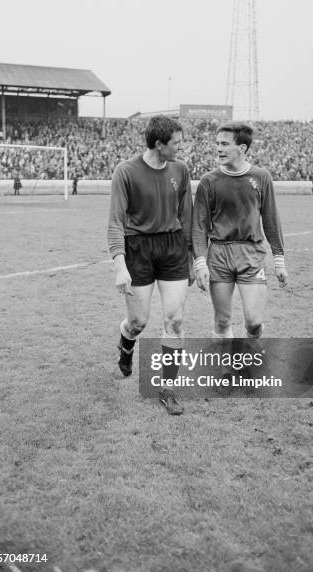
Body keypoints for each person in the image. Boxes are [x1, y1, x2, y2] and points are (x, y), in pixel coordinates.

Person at [108, 116, 193, 415]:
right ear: (159, 144)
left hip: (172, 248)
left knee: (175, 319)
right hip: (138, 250)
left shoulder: (181, 170)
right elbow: (116, 222)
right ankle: (126, 341)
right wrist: (120, 265)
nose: (181, 148)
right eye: (177, 143)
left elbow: (187, 217)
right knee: (138, 322)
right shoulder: (126, 172)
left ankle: (168, 389)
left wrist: (193, 257)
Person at [192, 121, 288, 346]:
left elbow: (271, 220)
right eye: (217, 143)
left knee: (254, 322)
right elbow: (199, 226)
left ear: (242, 149)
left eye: (224, 144)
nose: (218, 148)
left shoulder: (261, 177)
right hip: (219, 254)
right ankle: (228, 370)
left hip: (251, 254)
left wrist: (279, 260)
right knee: (222, 321)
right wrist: (200, 262)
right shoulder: (209, 181)